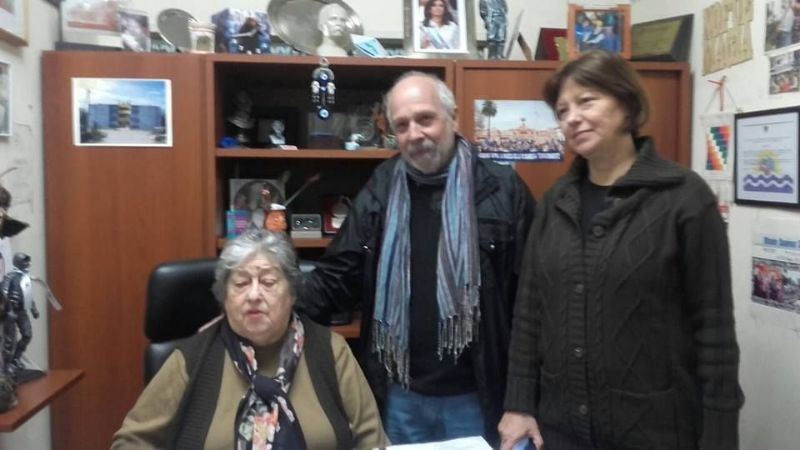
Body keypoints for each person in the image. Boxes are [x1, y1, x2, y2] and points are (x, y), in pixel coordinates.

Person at [498, 50, 745, 450]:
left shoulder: (684, 198)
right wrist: (519, 404)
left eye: (586, 101)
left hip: (657, 431)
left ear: (626, 104)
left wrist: (720, 435)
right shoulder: (554, 202)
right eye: (562, 111)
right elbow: (529, 314)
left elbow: (714, 330)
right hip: (560, 432)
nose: (572, 117)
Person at [298, 71, 536, 445]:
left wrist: (523, 403)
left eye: (426, 119)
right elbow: (336, 276)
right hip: (400, 398)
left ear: (453, 117)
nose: (415, 134)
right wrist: (262, 317)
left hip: (481, 398)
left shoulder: (502, 190)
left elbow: (533, 305)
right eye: (402, 125)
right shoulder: (383, 185)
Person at [112, 230, 388, 449]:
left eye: (268, 282)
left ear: (291, 294)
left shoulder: (330, 352)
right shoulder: (191, 360)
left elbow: (371, 440)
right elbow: (131, 442)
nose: (254, 295)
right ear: (224, 296)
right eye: (241, 283)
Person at [1, 253, 38, 379]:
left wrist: (34, 310)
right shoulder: (10, 277)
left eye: (28, 261)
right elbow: (4, 294)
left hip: (22, 312)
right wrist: (7, 311)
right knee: (9, 341)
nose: (27, 264)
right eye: (25, 261)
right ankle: (6, 365)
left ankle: (15, 359)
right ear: (18, 262)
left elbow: (28, 295)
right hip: (10, 313)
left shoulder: (26, 278)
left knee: (27, 335)